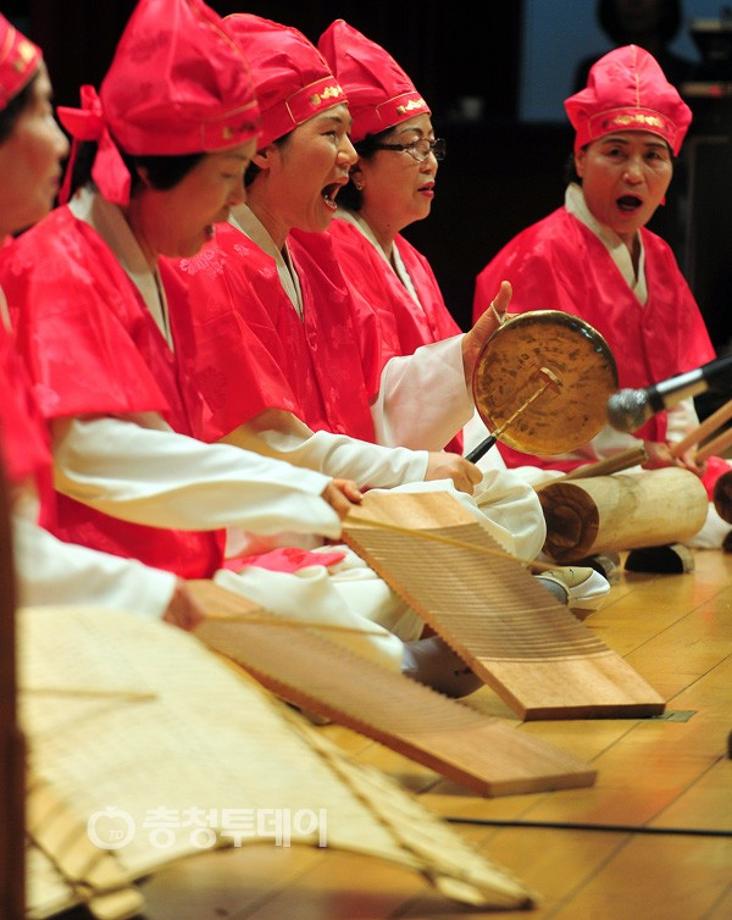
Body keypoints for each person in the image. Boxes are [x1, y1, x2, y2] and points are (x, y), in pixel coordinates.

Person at [3, 0, 436, 676]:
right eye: (228, 175)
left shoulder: (167, 266)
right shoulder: (57, 262)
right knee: (332, 617)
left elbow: (193, 445)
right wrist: (296, 495)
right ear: (152, 170)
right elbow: (88, 453)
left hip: (182, 564)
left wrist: (306, 497)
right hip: (103, 588)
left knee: (344, 605)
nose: (238, 200)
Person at [165, 13, 547, 569]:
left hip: (333, 492)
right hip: (265, 516)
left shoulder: (307, 264)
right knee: (446, 530)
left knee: (507, 506)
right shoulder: (213, 264)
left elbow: (364, 413)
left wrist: (464, 361)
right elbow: (268, 444)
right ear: (264, 150)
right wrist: (410, 473)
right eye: (332, 133)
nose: (348, 153)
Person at [0, 11, 211, 629]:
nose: (67, 141)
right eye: (41, 112)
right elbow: (86, 455)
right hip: (75, 589)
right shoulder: (54, 259)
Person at [473, 44, 730, 547]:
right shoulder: (540, 255)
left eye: (653, 156)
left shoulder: (656, 255)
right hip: (566, 469)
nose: (635, 173)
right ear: (580, 158)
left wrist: (680, 447)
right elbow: (550, 412)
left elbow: (682, 381)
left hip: (651, 464)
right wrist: (639, 453)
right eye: (616, 152)